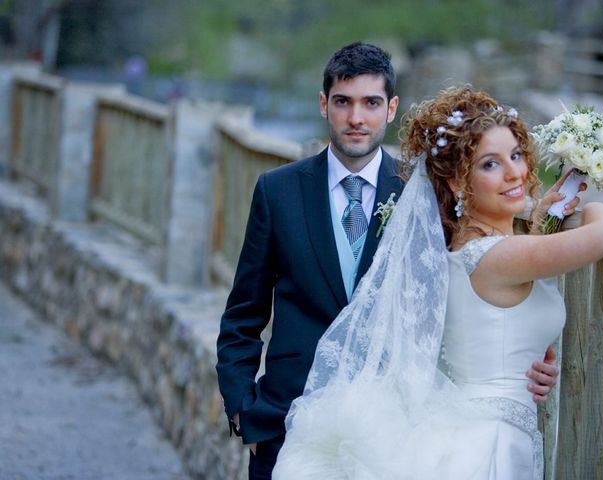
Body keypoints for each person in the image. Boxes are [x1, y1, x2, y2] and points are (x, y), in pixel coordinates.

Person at [216, 43, 560, 480]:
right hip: (285, 418)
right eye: (343, 102)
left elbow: (472, 272)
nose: (356, 118)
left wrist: (525, 354)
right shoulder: (277, 191)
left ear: (391, 107)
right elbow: (243, 314)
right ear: (325, 105)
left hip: (389, 436)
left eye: (371, 103)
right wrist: (243, 409)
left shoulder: (426, 196)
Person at [272, 86, 603, 479]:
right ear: (459, 183)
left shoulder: (473, 247)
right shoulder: (498, 258)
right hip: (488, 444)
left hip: (489, 427)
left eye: (515, 155)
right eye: (490, 164)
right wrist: (596, 205)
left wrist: (546, 220)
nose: (514, 172)